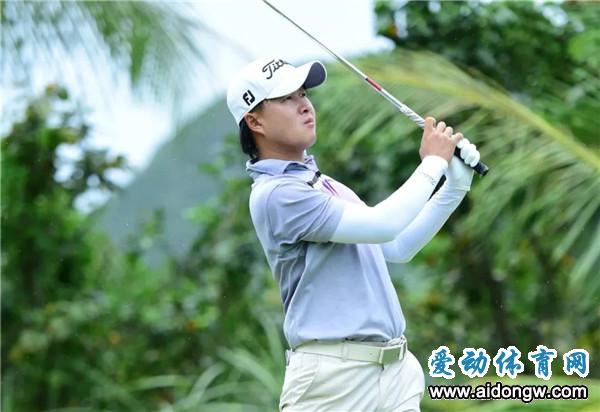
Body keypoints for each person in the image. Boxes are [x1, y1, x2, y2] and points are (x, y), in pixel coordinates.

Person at [226, 57, 480, 412]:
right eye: (286, 98)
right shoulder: (276, 194)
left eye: (303, 94)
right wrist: (434, 163)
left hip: (394, 372)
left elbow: (395, 246)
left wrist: (453, 188)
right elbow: (383, 224)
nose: (304, 105)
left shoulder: (324, 185)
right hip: (333, 380)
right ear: (255, 121)